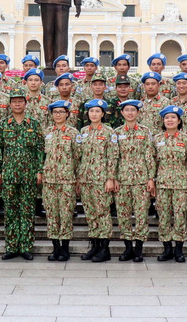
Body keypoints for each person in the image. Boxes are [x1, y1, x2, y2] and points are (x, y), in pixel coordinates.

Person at [0, 87, 45, 260]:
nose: (17, 104)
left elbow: (40, 149)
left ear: (25, 103)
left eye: (20, 101)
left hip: (29, 174)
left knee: (27, 211)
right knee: (10, 211)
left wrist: (39, 170)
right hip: (9, 173)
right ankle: (11, 246)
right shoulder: (3, 124)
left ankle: (26, 247)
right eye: (14, 101)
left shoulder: (34, 124)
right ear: (10, 104)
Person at [113, 100, 156, 262]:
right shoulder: (116, 132)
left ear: (138, 113)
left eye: (133, 110)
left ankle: (139, 248)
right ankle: (128, 247)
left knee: (141, 214)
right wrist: (113, 177)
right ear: (122, 113)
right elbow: (114, 157)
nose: (130, 113)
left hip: (141, 179)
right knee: (123, 215)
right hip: (122, 179)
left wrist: (151, 178)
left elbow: (149, 156)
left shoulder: (145, 131)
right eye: (127, 110)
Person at [76, 99, 118, 262]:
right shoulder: (83, 131)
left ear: (103, 114)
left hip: (101, 179)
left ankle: (104, 249)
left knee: (102, 213)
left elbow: (112, 156)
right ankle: (94, 246)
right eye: (91, 111)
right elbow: (79, 156)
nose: (94, 114)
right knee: (90, 213)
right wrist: (79, 178)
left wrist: (110, 178)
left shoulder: (109, 132)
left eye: (97, 111)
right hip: (86, 179)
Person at [153, 105, 187, 263]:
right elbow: (152, 162)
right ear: (163, 120)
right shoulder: (157, 139)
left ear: (179, 121)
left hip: (181, 184)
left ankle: (179, 249)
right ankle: (167, 248)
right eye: (167, 118)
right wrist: (152, 180)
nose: (170, 120)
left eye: (173, 117)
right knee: (163, 216)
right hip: (162, 184)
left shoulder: (186, 139)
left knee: (180, 216)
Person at [42, 100, 80, 262]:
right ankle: (55, 247)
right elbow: (42, 155)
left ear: (67, 114)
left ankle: (65, 248)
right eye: (55, 112)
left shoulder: (73, 133)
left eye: (61, 112)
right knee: (51, 214)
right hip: (49, 180)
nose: (58, 115)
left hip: (67, 180)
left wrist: (77, 178)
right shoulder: (46, 132)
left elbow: (78, 157)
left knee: (66, 214)